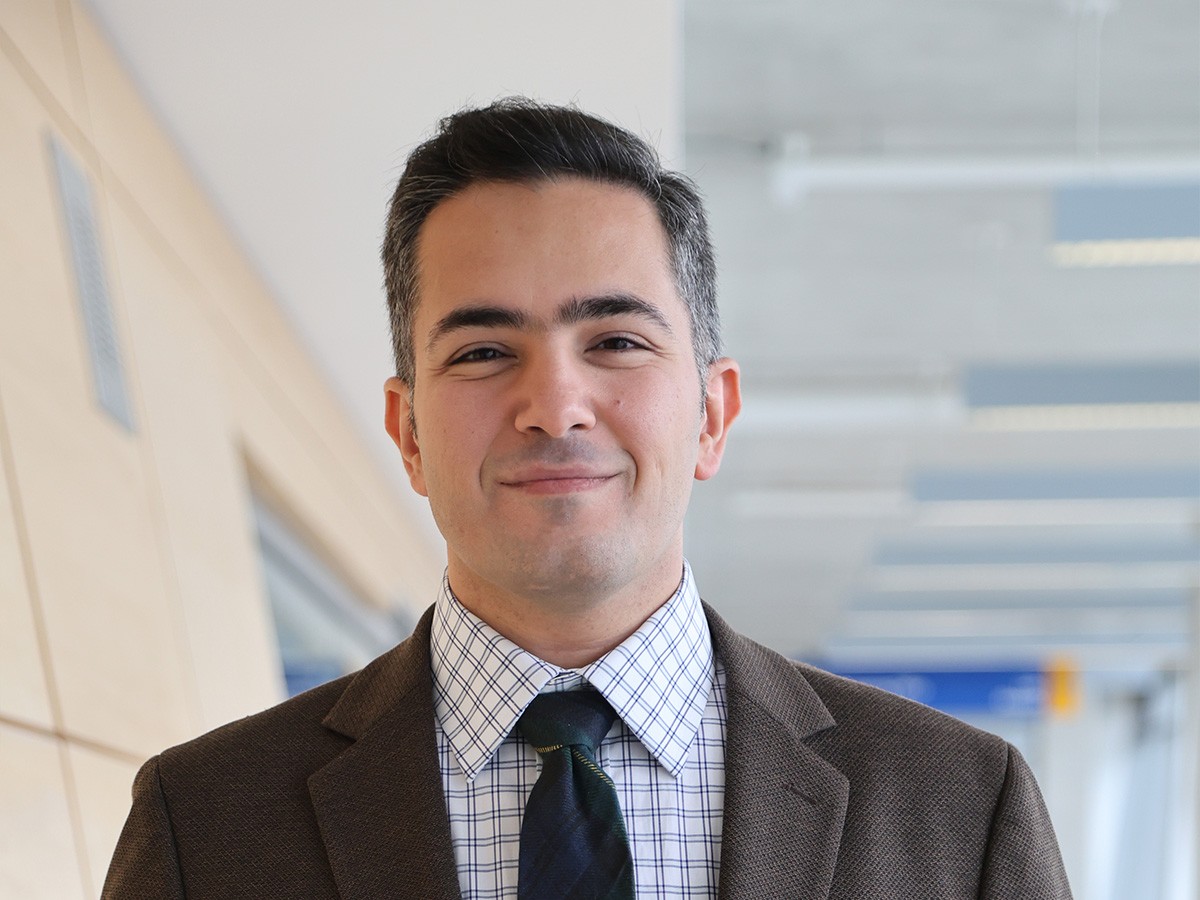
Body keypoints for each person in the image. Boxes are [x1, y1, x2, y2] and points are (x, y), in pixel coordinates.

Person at [103, 98, 1073, 899]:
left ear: (710, 414)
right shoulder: (207, 826)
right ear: (406, 433)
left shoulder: (956, 810)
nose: (554, 407)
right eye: (483, 353)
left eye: (615, 341)